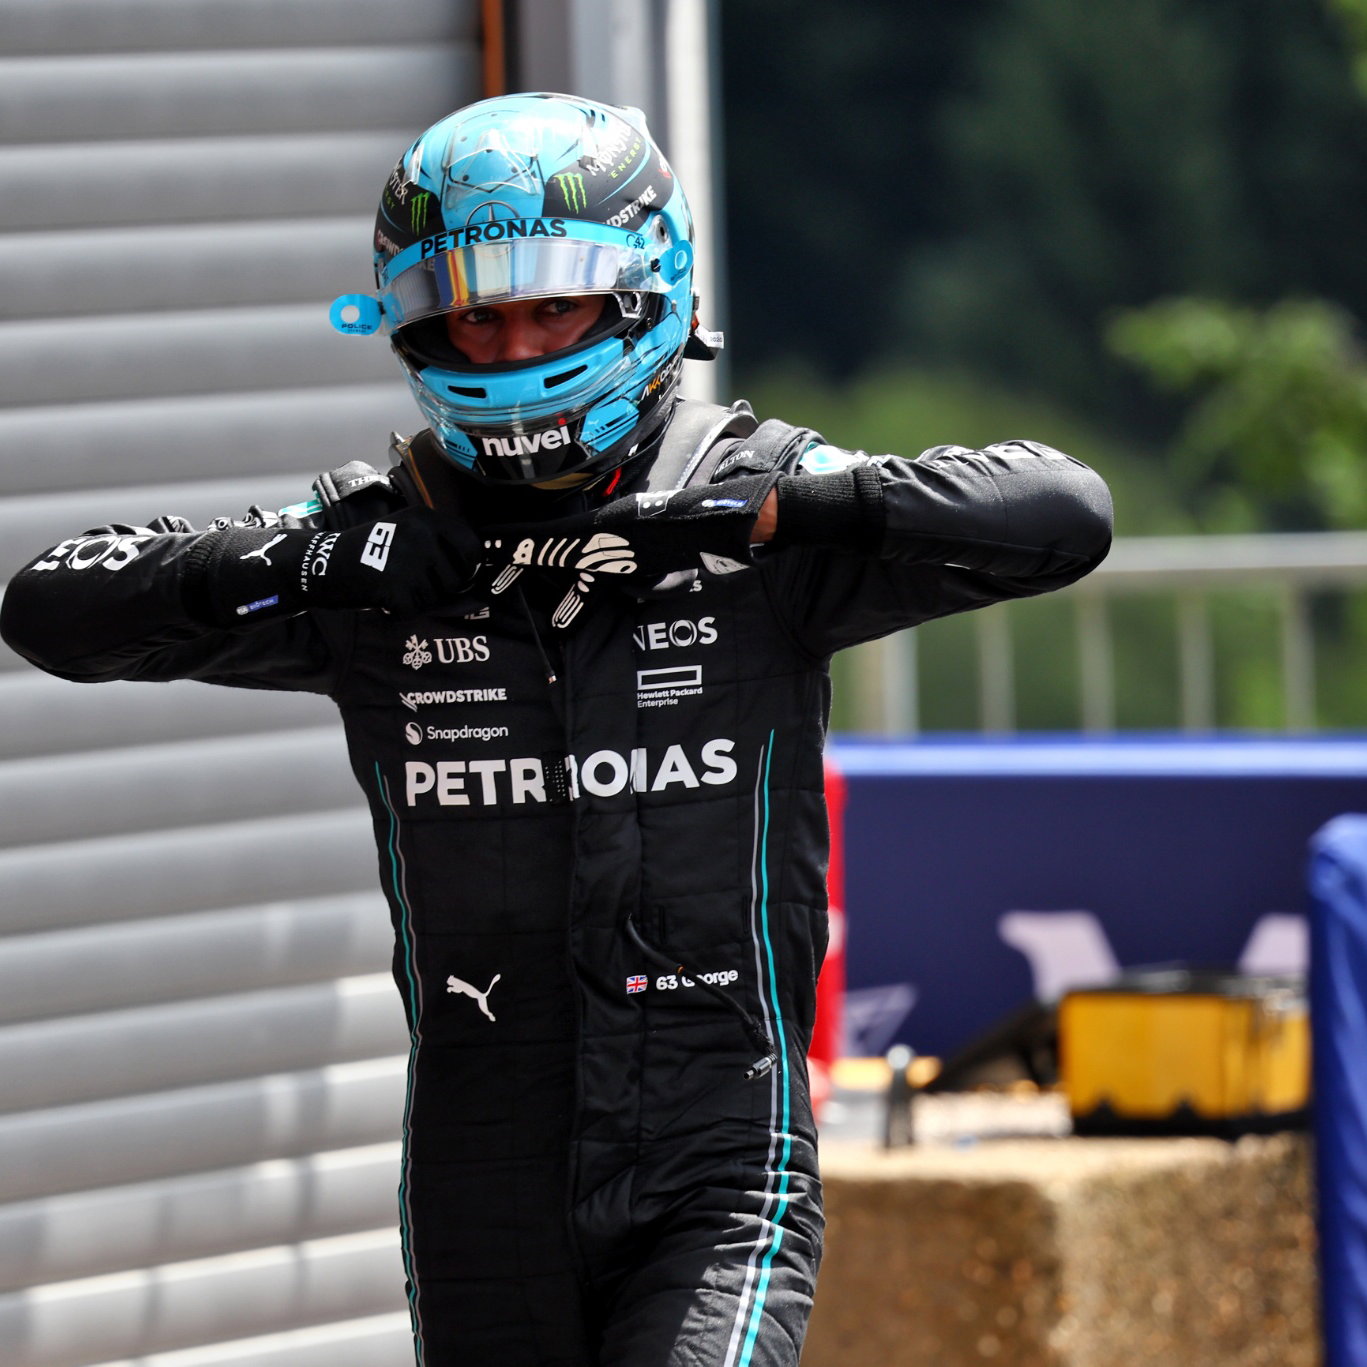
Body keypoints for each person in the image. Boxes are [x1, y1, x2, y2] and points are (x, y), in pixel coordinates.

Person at [0, 93, 1112, 1367]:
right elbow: (50, 608)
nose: (513, 344)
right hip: (485, 1174)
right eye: (476, 310)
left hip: (718, 1162)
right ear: (418, 319)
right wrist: (302, 564)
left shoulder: (752, 506)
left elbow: (1061, 512)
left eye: (552, 306)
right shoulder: (376, 543)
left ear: (642, 296)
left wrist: (779, 516)